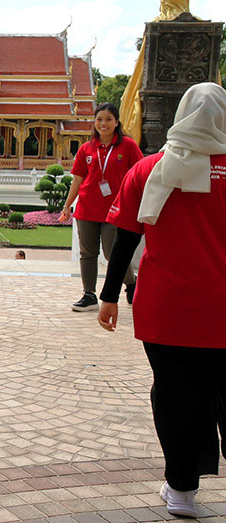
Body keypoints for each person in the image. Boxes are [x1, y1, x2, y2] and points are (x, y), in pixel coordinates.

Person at [97, 82, 226, 518]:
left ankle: (182, 490)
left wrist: (108, 297)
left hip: (168, 310)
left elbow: (125, 240)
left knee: (175, 397)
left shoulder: (150, 169)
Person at [59, 103, 143, 312]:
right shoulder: (86, 149)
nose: (103, 124)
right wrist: (67, 205)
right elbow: (78, 180)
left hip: (115, 210)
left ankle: (131, 282)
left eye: (108, 119)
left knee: (111, 252)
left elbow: (139, 175)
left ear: (116, 122)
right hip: (87, 208)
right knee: (87, 253)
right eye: (99, 119)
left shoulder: (128, 146)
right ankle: (89, 295)